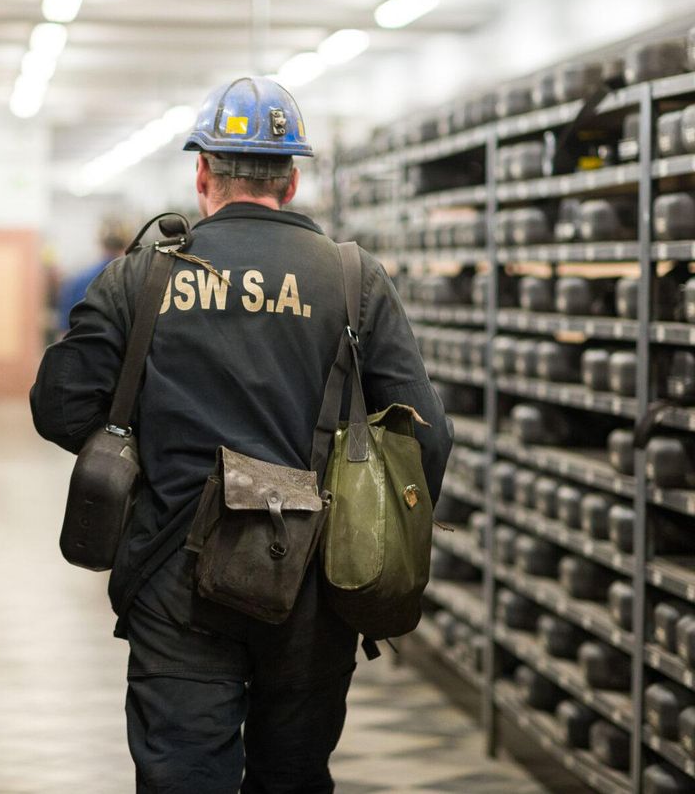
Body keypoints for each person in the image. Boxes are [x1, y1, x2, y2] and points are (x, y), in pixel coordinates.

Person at [29, 76, 453, 793]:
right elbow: (426, 437)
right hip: (315, 586)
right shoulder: (354, 280)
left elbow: (59, 404)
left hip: (175, 578)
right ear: (290, 180)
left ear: (202, 173)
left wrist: (142, 439)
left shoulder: (144, 273)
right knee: (293, 777)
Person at [56, 221, 129, 334]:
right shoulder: (134, 280)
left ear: (101, 243)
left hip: (85, 346)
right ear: (127, 245)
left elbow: (65, 331)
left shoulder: (78, 281)